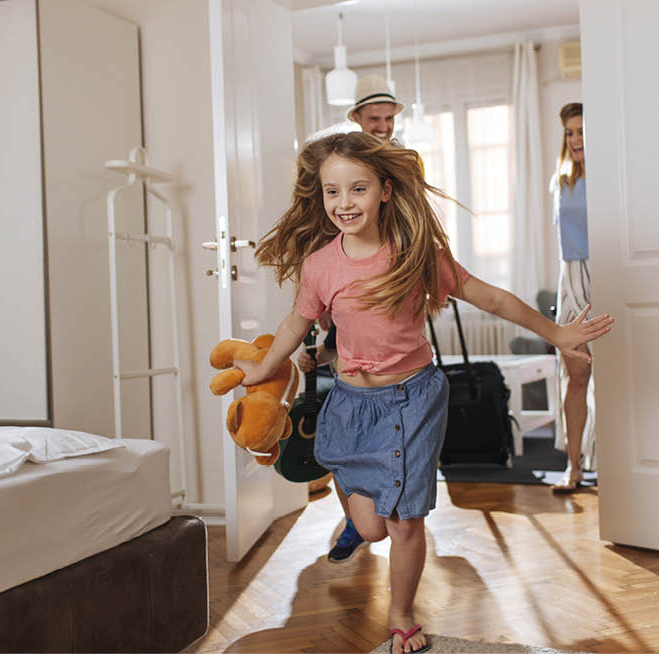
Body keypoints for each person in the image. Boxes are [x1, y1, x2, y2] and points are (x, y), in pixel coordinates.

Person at [235, 132, 612, 653]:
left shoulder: (415, 255)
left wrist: (558, 334)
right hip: (349, 405)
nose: (344, 203)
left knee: (404, 524)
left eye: (358, 189)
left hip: (411, 400)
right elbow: (295, 324)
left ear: (385, 190)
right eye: (332, 191)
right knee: (371, 529)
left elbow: (490, 298)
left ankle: (402, 615)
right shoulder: (320, 265)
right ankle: (357, 500)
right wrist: (264, 368)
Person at [295, 73, 408, 565]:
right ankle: (355, 519)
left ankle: (387, 511)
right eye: (374, 119)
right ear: (357, 119)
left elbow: (419, 219)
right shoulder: (341, 167)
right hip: (342, 278)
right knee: (341, 338)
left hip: (391, 277)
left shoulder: (401, 166)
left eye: (388, 119)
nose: (382, 127)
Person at [549, 102, 597, 494]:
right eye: (570, 132)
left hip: (608, 274)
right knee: (576, 376)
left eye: (582, 131)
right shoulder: (560, 180)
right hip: (572, 279)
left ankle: (619, 464)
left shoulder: (612, 175)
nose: (575, 139)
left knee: (617, 378)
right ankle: (574, 466)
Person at [347, 74, 403, 142]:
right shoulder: (346, 148)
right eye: (374, 119)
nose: (383, 128)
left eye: (389, 118)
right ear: (357, 118)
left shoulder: (402, 148)